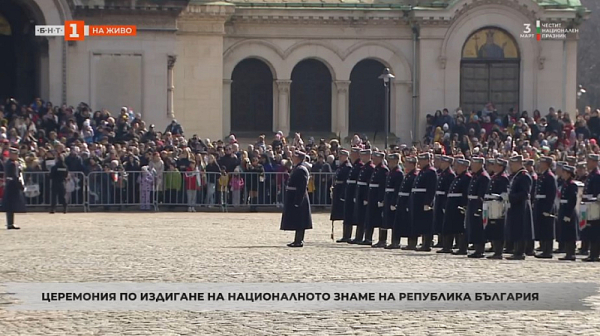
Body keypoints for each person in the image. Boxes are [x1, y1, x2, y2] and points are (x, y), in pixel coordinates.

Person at [280, 151, 312, 247]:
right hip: (294, 195)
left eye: (294, 156)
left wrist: (298, 200)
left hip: (298, 196)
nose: (292, 158)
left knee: (300, 220)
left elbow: (301, 187)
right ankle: (297, 240)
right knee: (297, 219)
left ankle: (299, 240)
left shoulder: (301, 169)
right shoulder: (297, 168)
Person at [440, 158, 471, 254]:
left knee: (460, 227)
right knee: (449, 225)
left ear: (463, 167)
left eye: (458, 166)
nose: (456, 167)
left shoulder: (466, 177)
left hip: (458, 205)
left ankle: (462, 248)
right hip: (452, 204)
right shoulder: (458, 177)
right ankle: (447, 246)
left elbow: (465, 193)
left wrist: (464, 205)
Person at [505, 155, 534, 260]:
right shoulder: (517, 175)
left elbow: (524, 193)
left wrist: (511, 197)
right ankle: (516, 250)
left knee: (521, 229)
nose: (511, 167)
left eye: (512, 164)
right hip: (516, 206)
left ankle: (520, 252)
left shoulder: (524, 176)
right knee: (516, 228)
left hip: (522, 206)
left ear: (518, 163)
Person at [411, 152, 438, 251]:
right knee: (420, 223)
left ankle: (427, 244)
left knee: (426, 223)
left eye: (422, 160)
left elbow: (431, 189)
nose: (420, 163)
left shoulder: (431, 172)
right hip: (418, 200)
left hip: (424, 201)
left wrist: (428, 202)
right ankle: (422, 243)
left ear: (427, 161)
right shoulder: (423, 171)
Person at [464, 157, 490, 258]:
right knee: (473, 227)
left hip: (477, 204)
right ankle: (476, 248)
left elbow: (482, 195)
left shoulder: (483, 177)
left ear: (479, 164)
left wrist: (479, 208)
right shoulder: (476, 176)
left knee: (478, 228)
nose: (472, 166)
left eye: (474, 164)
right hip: (472, 203)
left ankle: (480, 249)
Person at [484, 159, 510, 259]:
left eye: (496, 165)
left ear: (501, 167)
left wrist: (498, 198)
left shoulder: (503, 178)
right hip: (491, 204)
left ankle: (499, 252)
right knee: (493, 228)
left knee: (498, 228)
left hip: (499, 206)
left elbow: (505, 193)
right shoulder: (495, 177)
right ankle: (495, 249)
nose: (494, 167)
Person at [533, 156, 557, 259]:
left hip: (546, 205)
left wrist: (548, 209)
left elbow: (551, 194)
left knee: (547, 229)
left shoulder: (549, 176)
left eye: (542, 163)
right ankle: (544, 249)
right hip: (540, 204)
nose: (540, 164)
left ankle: (548, 251)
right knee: (542, 228)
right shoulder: (542, 175)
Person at [350, 149, 375, 244]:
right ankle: (358, 236)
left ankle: (367, 237)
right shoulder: (364, 167)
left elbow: (369, 185)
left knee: (365, 217)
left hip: (365, 194)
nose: (362, 157)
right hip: (360, 193)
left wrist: (366, 197)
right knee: (359, 216)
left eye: (364, 156)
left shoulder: (370, 168)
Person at [395, 156, 419, 250]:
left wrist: (409, 203)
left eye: (408, 164)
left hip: (408, 200)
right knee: (401, 222)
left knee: (410, 223)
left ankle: (412, 243)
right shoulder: (408, 175)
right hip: (402, 200)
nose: (406, 166)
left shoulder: (414, 176)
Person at [557, 165, 580, 261]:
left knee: (570, 233)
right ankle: (567, 253)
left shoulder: (572, 185)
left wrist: (568, 214)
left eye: (564, 172)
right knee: (565, 232)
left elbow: (572, 200)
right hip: (563, 209)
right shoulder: (565, 184)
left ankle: (571, 253)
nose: (563, 174)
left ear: (569, 174)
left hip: (569, 211)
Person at [367, 151, 389, 247]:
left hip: (378, 197)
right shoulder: (376, 169)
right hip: (373, 196)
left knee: (381, 219)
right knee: (371, 217)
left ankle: (382, 239)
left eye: (375, 158)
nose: (373, 159)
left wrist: (381, 199)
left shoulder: (383, 170)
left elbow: (382, 186)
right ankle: (368, 238)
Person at [341, 148, 363, 243]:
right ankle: (346, 235)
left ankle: (358, 236)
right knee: (347, 213)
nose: (351, 155)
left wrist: (355, 195)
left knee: (356, 215)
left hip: (354, 192)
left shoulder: (359, 166)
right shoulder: (354, 166)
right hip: (349, 191)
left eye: (353, 153)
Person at [434, 155, 456, 249]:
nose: (441, 164)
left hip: (444, 199)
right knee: (439, 221)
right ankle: (440, 240)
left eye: (443, 162)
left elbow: (448, 190)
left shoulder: (450, 174)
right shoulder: (443, 173)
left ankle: (446, 243)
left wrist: (444, 203)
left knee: (444, 221)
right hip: (439, 198)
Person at [382, 153, 403, 249]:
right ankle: (384, 240)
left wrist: (394, 202)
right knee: (386, 220)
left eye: (390, 161)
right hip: (388, 197)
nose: (389, 163)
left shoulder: (398, 173)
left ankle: (395, 241)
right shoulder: (391, 172)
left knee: (395, 222)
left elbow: (397, 189)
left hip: (393, 199)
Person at [1, 147, 26, 229]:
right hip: (13, 185)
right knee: (11, 205)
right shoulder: (12, 163)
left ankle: (10, 223)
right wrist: (20, 185)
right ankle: (10, 223)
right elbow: (15, 176)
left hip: (10, 185)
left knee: (10, 206)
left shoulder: (9, 162)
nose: (16, 156)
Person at [581, 154, 600, 261]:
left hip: (595, 207)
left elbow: (596, 194)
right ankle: (593, 253)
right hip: (589, 206)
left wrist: (587, 197)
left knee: (595, 231)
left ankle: (594, 254)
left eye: (589, 161)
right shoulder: (591, 175)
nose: (587, 163)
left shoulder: (597, 175)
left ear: (594, 162)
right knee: (591, 229)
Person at [330, 149, 352, 241]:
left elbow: (346, 182)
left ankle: (347, 235)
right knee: (342, 213)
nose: (340, 157)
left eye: (342, 156)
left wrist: (343, 193)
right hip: (338, 190)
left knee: (346, 213)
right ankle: (345, 235)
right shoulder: (341, 166)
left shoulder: (347, 167)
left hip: (342, 191)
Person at [524, 159, 537, 255]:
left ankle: (530, 248)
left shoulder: (533, 177)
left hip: (531, 202)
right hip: (530, 202)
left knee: (529, 227)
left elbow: (532, 192)